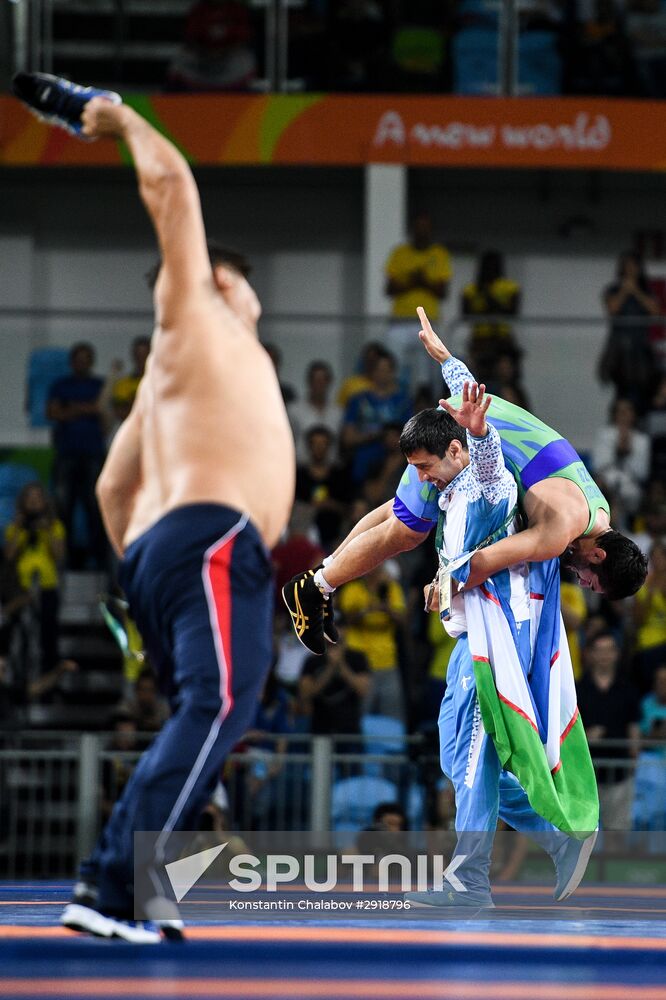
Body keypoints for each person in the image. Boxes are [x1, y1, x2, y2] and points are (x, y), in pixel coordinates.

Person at [12, 71, 294, 942]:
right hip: (210, 542)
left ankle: (140, 888)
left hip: (175, 551)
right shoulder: (200, 317)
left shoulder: (166, 391)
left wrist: (140, 571)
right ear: (218, 284)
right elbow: (172, 183)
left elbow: (109, 490)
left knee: (205, 715)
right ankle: (108, 891)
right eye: (236, 279)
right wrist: (118, 119)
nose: (249, 290)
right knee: (215, 710)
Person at [282, 307, 648, 656]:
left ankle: (320, 578)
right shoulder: (558, 532)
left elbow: (481, 402)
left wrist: (448, 361)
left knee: (399, 510)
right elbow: (484, 560)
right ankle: (318, 585)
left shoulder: (599, 507)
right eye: (591, 580)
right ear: (598, 554)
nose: (582, 583)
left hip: (478, 411)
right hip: (464, 432)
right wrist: (443, 587)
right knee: (408, 530)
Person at [398, 384, 597, 908]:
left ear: (457, 451)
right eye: (416, 469)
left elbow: (489, 467)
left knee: (473, 755)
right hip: (473, 636)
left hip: (495, 638)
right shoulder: (452, 495)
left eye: (426, 466)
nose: (421, 479)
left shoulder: (488, 486)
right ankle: (559, 842)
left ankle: (470, 882)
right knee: (457, 756)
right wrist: (448, 363)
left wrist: (482, 431)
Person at [46, 341, 107, 569]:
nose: (82, 363)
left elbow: (104, 414)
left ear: (91, 361)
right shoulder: (60, 385)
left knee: (95, 508)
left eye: (86, 358)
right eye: (78, 358)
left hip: (93, 454)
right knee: (64, 508)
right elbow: (52, 412)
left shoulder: (100, 384)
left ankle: (98, 560)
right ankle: (67, 561)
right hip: (66, 454)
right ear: (72, 362)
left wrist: (71, 409)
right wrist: (87, 408)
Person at [384, 212, 452, 387]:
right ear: (412, 230)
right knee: (394, 366)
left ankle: (426, 403)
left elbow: (442, 291)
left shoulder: (439, 254)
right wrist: (414, 281)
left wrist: (422, 280)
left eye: (425, 228)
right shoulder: (400, 253)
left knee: (426, 373)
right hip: (400, 321)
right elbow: (389, 288)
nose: (422, 232)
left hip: (427, 323)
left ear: (430, 231)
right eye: (418, 228)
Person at [4, 482, 66, 674]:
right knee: (17, 636)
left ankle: (49, 684)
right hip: (20, 589)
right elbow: (8, 555)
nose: (33, 502)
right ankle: (19, 680)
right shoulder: (15, 527)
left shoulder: (54, 526)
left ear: (44, 502)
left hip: (46, 586)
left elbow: (59, 555)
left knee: (48, 637)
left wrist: (46, 529)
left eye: (37, 498)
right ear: (23, 502)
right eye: (29, 498)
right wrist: (19, 528)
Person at [598, 250, 660, 414]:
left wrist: (636, 290)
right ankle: (617, 424)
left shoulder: (646, 290)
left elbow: (655, 311)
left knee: (643, 389)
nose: (631, 269)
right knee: (622, 390)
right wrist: (625, 289)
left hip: (641, 348)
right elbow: (612, 309)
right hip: (620, 348)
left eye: (634, 266)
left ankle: (638, 424)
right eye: (627, 266)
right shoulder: (613, 289)